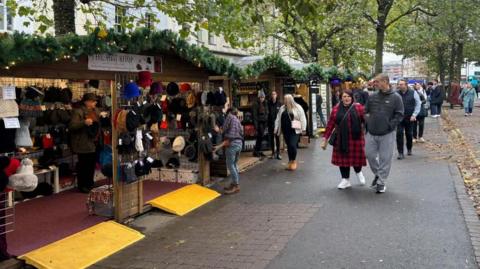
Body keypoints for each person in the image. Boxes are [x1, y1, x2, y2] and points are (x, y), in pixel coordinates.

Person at [365, 74, 404, 193]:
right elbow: (365, 111)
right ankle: (378, 174)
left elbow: (399, 114)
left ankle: (381, 182)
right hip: (371, 132)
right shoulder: (372, 97)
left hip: (387, 133)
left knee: (385, 159)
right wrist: (368, 120)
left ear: (385, 82)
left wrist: (390, 125)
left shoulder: (396, 97)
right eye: (375, 82)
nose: (375, 84)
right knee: (370, 155)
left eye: (377, 82)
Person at [321, 90, 367, 189]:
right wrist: (325, 138)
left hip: (356, 138)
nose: (346, 98)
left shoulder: (358, 107)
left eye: (348, 96)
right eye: (344, 96)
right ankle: (345, 180)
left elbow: (367, 120)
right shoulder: (336, 109)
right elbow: (330, 125)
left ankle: (358, 172)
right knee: (343, 160)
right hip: (341, 138)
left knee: (356, 159)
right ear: (341, 98)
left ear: (352, 97)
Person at [69, 93, 100, 193]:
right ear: (87, 102)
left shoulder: (95, 111)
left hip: (93, 142)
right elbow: (72, 126)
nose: (95, 102)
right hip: (82, 142)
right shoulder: (78, 111)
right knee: (83, 165)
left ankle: (90, 184)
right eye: (93, 101)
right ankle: (83, 186)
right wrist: (84, 122)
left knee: (91, 164)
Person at [215, 108, 243, 194]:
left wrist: (217, 129)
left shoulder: (229, 116)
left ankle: (236, 185)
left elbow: (223, 129)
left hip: (232, 144)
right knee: (234, 164)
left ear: (229, 112)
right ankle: (234, 183)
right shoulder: (238, 120)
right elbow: (241, 132)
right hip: (239, 144)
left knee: (230, 165)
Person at [274, 94, 307, 171]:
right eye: (284, 99)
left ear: (290, 100)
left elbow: (303, 118)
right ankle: (290, 161)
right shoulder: (282, 108)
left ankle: (293, 160)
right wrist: (276, 128)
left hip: (295, 130)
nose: (284, 101)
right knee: (289, 146)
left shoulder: (297, 107)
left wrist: (304, 129)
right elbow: (278, 119)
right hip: (286, 130)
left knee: (292, 145)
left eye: (285, 99)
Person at [395, 79, 421, 160]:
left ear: (406, 85)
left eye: (402, 84)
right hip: (399, 117)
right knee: (399, 134)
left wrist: (414, 115)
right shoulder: (396, 93)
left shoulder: (413, 92)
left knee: (409, 134)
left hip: (410, 117)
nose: (400, 86)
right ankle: (400, 152)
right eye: (399, 84)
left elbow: (418, 103)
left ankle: (409, 148)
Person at [252, 90, 269, 157]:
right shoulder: (255, 104)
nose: (262, 98)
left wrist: (266, 120)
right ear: (258, 97)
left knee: (261, 138)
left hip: (264, 123)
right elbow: (254, 115)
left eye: (263, 97)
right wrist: (256, 126)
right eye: (261, 97)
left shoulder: (265, 103)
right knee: (259, 137)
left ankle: (259, 150)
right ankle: (256, 151)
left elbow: (267, 112)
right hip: (259, 123)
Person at [268, 91, 282, 159]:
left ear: (276, 95)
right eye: (272, 94)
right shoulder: (269, 103)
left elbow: (281, 113)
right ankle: (273, 153)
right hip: (270, 123)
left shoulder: (279, 104)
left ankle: (278, 153)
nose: (273, 95)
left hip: (277, 124)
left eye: (274, 94)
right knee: (271, 139)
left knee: (277, 138)